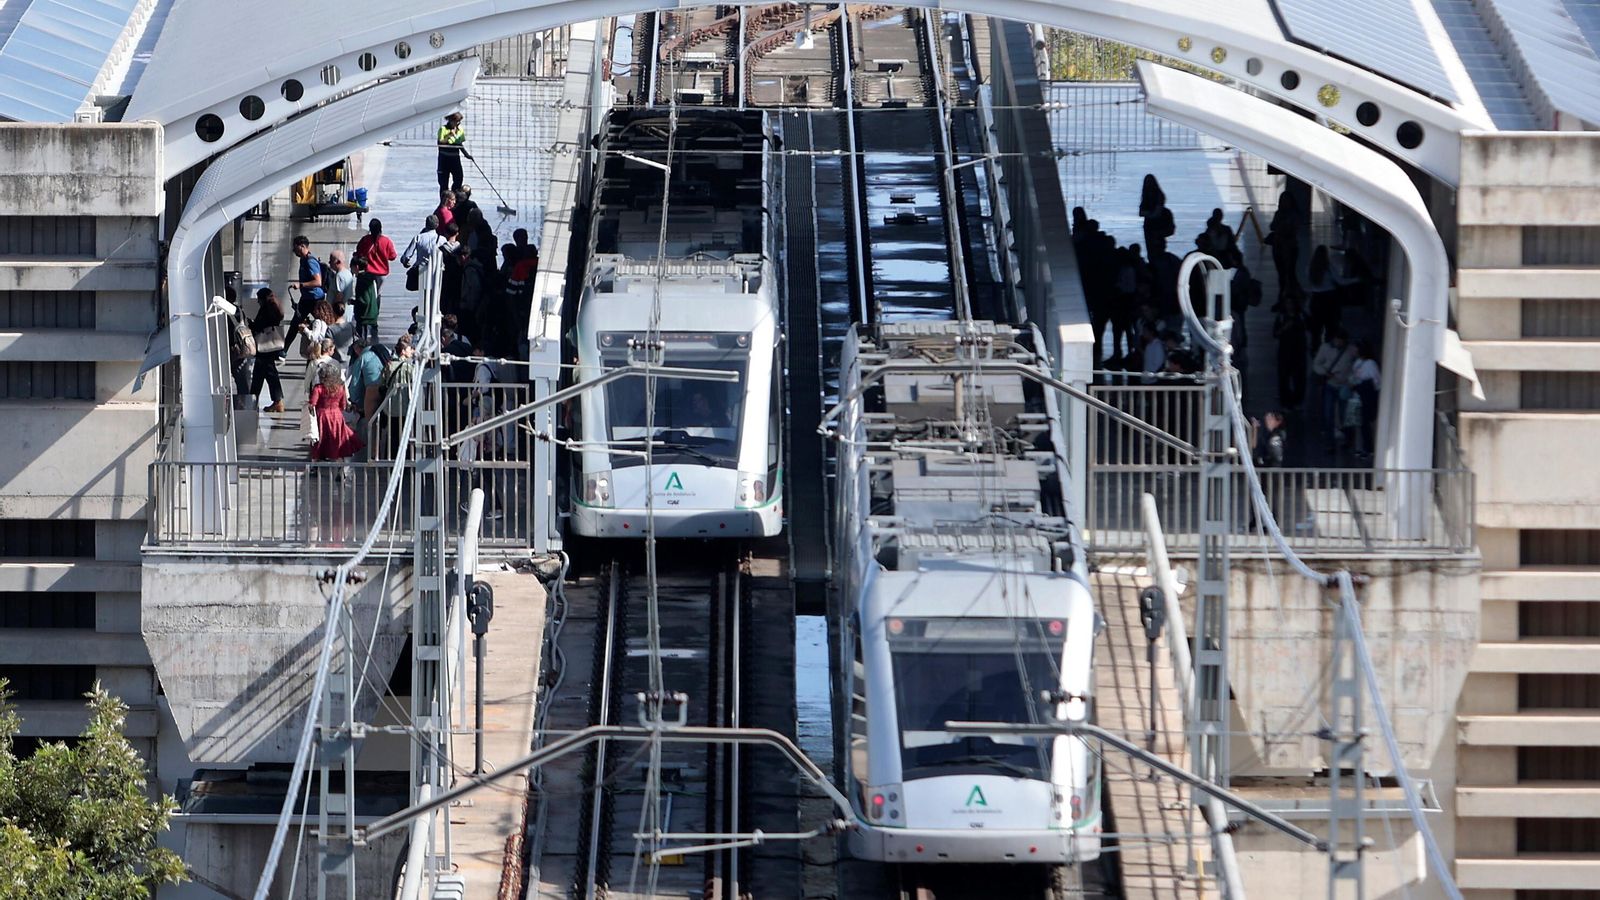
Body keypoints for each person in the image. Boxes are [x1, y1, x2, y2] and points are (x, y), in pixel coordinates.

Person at [309, 365, 364, 462]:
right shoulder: (340, 388)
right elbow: (343, 405)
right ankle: (339, 462)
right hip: (337, 416)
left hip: (321, 416)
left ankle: (316, 462)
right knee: (337, 439)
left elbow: (312, 403)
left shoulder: (318, 388)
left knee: (320, 439)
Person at [1311, 330, 1358, 441]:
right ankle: (1329, 440)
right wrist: (1325, 372)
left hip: (1344, 385)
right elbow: (1316, 364)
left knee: (1344, 415)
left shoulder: (1351, 350)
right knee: (1328, 414)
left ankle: (1347, 438)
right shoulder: (1325, 348)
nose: (1338, 343)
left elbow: (1357, 365)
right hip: (1330, 384)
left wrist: (1351, 379)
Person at [249, 287, 288, 413]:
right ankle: (272, 401)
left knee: (264, 375)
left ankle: (255, 401)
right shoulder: (275, 307)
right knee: (264, 374)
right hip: (271, 347)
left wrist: (251, 324)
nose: (258, 302)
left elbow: (259, 325)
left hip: (264, 347)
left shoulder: (266, 309)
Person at [347, 335, 386, 455]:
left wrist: (354, 402)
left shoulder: (363, 358)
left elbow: (355, 383)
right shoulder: (383, 350)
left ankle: (374, 453)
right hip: (388, 388)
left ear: (358, 349)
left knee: (372, 423)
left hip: (372, 390)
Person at [287, 235, 325, 340]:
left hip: (315, 299)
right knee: (295, 323)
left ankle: (325, 345)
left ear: (302, 246)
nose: (294, 250)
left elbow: (318, 282)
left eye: (296, 247)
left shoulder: (310, 261)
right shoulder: (303, 260)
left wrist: (301, 285)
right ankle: (284, 351)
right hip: (306, 297)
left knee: (322, 323)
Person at [1348, 343, 1380, 459]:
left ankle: (1368, 448)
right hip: (1357, 396)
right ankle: (1359, 447)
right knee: (1358, 423)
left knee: (1364, 423)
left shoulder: (1370, 364)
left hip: (1365, 397)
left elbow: (1374, 382)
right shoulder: (1358, 363)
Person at [355, 219, 399, 302]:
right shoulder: (386, 241)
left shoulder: (365, 240)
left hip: (368, 272)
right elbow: (393, 257)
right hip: (382, 273)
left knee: (367, 293)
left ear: (370, 229)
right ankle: (376, 310)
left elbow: (359, 252)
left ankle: (368, 310)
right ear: (380, 228)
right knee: (378, 293)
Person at [1273, 304, 1308, 408]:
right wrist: (1285, 327)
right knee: (1284, 377)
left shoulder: (1301, 316)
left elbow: (1310, 326)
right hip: (1285, 352)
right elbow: (1275, 333)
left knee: (1299, 378)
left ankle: (1297, 400)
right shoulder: (1281, 317)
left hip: (1299, 351)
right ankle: (1286, 401)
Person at [226, 288, 255, 408]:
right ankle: (244, 402)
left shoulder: (225, 312)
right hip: (242, 348)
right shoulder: (239, 310)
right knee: (241, 378)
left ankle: (231, 402)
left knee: (227, 375)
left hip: (231, 348)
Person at [401, 215, 443, 288]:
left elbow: (406, 256)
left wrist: (405, 262)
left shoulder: (418, 238)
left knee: (423, 293)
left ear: (426, 224)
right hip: (436, 271)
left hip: (421, 270)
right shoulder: (442, 240)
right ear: (437, 225)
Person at [437, 112, 472, 194]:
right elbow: (440, 143)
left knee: (459, 179)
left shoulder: (460, 130)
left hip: (455, 159)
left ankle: (454, 198)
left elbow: (459, 144)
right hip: (444, 160)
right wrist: (449, 135)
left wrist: (466, 154)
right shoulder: (443, 129)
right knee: (443, 183)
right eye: (456, 121)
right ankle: (444, 201)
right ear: (450, 120)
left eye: (459, 121)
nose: (457, 123)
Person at [354, 255, 381, 345]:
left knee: (362, 343)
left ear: (356, 267)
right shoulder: (372, 278)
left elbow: (364, 300)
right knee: (373, 342)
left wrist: (354, 302)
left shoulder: (361, 280)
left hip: (364, 317)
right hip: (373, 315)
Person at [327, 251, 355, 315]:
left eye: (331, 261)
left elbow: (339, 296)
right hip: (347, 311)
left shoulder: (339, 276)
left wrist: (331, 311)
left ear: (338, 262)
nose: (329, 263)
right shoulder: (348, 273)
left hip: (339, 313)